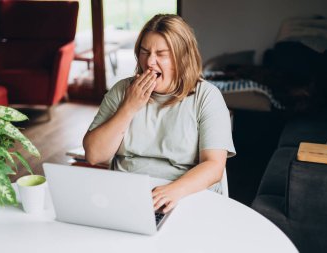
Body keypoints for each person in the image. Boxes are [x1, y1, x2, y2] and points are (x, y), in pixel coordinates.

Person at [83, 14, 236, 214]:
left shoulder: (206, 97)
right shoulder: (122, 90)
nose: (150, 62)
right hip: (126, 195)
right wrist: (129, 107)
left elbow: (214, 166)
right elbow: (94, 155)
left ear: (182, 58)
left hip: (183, 195)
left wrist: (172, 192)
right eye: (145, 52)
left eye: (161, 54)